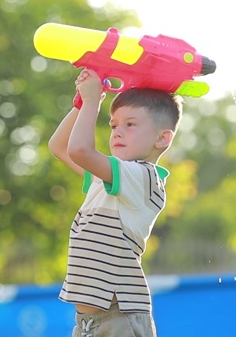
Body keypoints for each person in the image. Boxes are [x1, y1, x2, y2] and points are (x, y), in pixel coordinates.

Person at [48, 68, 182, 336]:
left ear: (162, 138)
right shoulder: (106, 179)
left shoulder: (143, 177)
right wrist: (85, 103)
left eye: (130, 124)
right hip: (90, 322)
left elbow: (80, 150)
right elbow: (59, 147)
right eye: (113, 125)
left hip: (120, 318)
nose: (117, 132)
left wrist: (91, 102)